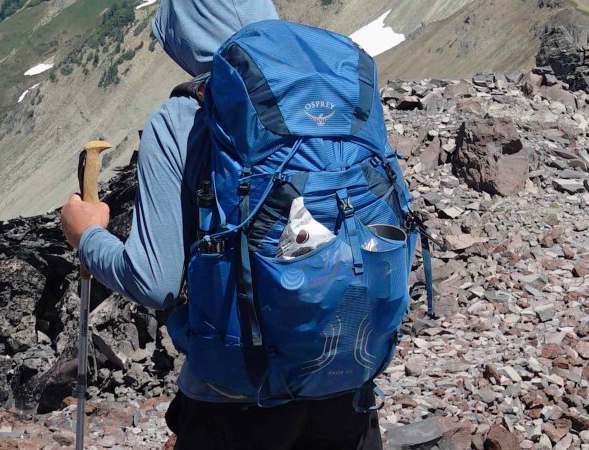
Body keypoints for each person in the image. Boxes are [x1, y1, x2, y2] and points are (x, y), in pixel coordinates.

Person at [61, 1, 383, 448]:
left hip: (236, 398)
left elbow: (156, 284)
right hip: (346, 376)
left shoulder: (180, 121)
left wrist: (87, 236)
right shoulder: (335, 102)